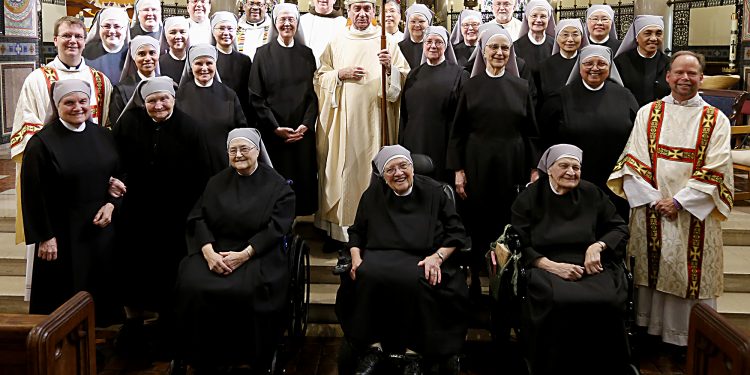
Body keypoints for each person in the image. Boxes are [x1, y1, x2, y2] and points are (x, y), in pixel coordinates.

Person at [608, 51, 734, 348]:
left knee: (686, 272)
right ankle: (649, 332)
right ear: (668, 76)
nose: (685, 79)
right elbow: (633, 160)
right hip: (652, 207)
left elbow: (716, 168)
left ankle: (686, 338)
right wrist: (655, 199)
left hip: (692, 212)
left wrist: (679, 201)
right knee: (652, 268)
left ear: (702, 78)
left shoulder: (716, 120)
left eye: (692, 73)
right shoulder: (647, 113)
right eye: (679, 72)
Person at [336, 145, 468, 375]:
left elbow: (457, 233)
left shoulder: (435, 192)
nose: (398, 173)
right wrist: (356, 257)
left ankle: (414, 352)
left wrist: (437, 258)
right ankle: (372, 348)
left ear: (412, 167)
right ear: (382, 176)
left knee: (414, 280)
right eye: (390, 170)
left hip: (424, 257)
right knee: (366, 275)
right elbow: (357, 231)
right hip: (381, 254)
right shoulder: (373, 194)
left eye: (403, 166)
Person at [175, 128, 295, 373]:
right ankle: (199, 353)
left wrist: (245, 254)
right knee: (190, 283)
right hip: (216, 249)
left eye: (244, 149)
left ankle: (248, 354)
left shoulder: (278, 186)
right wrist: (208, 251)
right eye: (233, 150)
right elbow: (198, 217)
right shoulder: (217, 181)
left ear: (257, 151)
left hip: (258, 251)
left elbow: (277, 227)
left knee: (248, 289)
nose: (238, 155)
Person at [512, 144, 630, 375]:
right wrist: (551, 266)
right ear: (549, 168)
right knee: (559, 301)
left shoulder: (591, 192)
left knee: (609, 300)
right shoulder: (530, 196)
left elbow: (619, 227)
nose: (571, 172)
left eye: (576, 167)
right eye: (564, 166)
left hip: (590, 263)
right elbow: (519, 241)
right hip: (545, 263)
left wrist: (598, 246)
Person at [112, 76, 209, 355]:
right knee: (133, 271)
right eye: (152, 100)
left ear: (173, 99)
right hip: (135, 213)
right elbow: (114, 160)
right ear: (143, 102)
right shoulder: (129, 123)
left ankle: (169, 325)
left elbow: (202, 174)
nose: (158, 105)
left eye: (164, 98)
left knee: (169, 271)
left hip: (174, 216)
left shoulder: (191, 128)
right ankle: (133, 326)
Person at [11, 16, 113, 268]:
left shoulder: (99, 80)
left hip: (93, 185)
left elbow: (106, 128)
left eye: (78, 36)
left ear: (85, 41)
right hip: (55, 183)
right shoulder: (37, 79)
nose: (73, 41)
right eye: (66, 35)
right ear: (55, 39)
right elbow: (29, 130)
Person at [21, 79, 122, 325]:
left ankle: (98, 344)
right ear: (57, 106)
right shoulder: (42, 143)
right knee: (64, 299)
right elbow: (33, 194)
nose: (77, 107)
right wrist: (45, 236)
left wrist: (111, 202)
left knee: (99, 293)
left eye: (82, 101)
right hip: (61, 235)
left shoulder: (103, 135)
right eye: (69, 102)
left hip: (99, 231)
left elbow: (119, 173)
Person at [447, 25, 537, 296]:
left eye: (504, 48)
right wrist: (458, 170)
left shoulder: (521, 86)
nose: (499, 53)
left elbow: (531, 130)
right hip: (477, 161)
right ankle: (475, 275)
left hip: (512, 162)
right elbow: (458, 131)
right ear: (483, 52)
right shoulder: (470, 85)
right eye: (493, 48)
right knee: (477, 220)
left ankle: (505, 281)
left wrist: (534, 170)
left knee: (507, 220)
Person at [315, 0, 410, 247]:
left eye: (367, 8)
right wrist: (339, 75)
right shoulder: (337, 41)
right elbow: (320, 77)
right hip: (344, 124)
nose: (362, 13)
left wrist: (391, 69)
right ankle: (341, 233)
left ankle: (374, 230)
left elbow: (403, 78)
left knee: (372, 172)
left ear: (374, 11)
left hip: (377, 120)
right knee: (345, 171)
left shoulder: (387, 42)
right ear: (348, 11)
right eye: (356, 8)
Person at [539, 45, 637, 219]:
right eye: (588, 63)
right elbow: (545, 139)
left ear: (610, 67)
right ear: (579, 66)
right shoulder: (560, 98)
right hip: (573, 176)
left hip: (614, 178)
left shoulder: (625, 96)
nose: (595, 68)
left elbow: (636, 137)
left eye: (601, 63)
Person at [250, 3, 319, 216]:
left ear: (297, 23)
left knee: (302, 181)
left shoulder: (307, 54)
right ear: (275, 23)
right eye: (283, 19)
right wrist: (275, 127)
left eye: (291, 19)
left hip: (301, 133)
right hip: (275, 133)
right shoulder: (262, 54)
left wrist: (306, 125)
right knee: (276, 182)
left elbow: (314, 94)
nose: (287, 23)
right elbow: (256, 95)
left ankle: (296, 227)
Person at [399, 26, 467, 183]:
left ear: (446, 46)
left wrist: (458, 163)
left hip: (443, 147)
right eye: (429, 41)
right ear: (423, 45)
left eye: (439, 42)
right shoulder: (413, 75)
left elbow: (462, 122)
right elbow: (405, 117)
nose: (433, 46)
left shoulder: (459, 75)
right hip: (414, 144)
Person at [177, 44, 247, 174]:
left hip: (223, 164)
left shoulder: (229, 94)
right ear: (191, 67)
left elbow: (240, 129)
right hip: (189, 166)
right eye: (198, 63)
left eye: (209, 63)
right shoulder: (179, 96)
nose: (204, 68)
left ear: (215, 65)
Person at [614, 15, 669, 107]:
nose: (654, 38)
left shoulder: (669, 63)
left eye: (658, 34)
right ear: (636, 37)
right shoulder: (621, 62)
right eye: (648, 33)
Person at [211, 11, 255, 124]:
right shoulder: (208, 59)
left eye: (230, 29)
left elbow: (248, 93)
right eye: (221, 28)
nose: (226, 33)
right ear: (213, 31)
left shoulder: (245, 60)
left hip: (240, 115)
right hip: (215, 115)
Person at [110, 35, 160, 125]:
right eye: (141, 54)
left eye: (152, 53)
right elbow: (117, 124)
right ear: (133, 57)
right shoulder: (121, 90)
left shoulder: (168, 84)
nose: (148, 58)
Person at [536, 18, 587, 106]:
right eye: (565, 35)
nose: (570, 39)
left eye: (575, 34)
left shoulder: (587, 63)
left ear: (582, 37)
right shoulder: (545, 66)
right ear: (556, 37)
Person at [83, 7, 130, 85]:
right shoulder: (85, 52)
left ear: (125, 29)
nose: (111, 31)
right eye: (106, 26)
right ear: (99, 28)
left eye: (117, 26)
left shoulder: (133, 54)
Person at [299, 0, 347, 67]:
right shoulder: (302, 21)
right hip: (306, 70)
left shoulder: (344, 24)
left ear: (334, 0)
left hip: (332, 71)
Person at [513, 0, 555, 76]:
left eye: (543, 16)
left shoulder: (554, 45)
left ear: (548, 19)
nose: (538, 20)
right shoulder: (516, 47)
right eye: (534, 16)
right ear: (527, 18)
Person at [399, 4, 432, 69]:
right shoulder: (400, 47)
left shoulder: (434, 47)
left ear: (428, 23)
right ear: (407, 24)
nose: (417, 25)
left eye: (421, 21)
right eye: (413, 21)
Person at [159, 16, 190, 83]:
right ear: (165, 36)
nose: (178, 36)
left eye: (182, 32)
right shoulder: (159, 63)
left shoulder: (194, 61)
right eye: (173, 32)